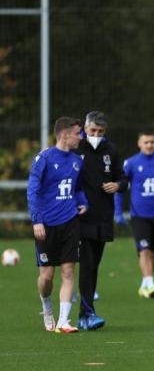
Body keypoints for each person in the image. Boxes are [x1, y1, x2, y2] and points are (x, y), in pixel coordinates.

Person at [28, 117, 87, 333]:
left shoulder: (77, 161)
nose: (81, 137)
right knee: (46, 277)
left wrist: (83, 203)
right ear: (64, 134)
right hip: (46, 225)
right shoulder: (43, 158)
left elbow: (78, 188)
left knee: (69, 271)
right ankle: (47, 306)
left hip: (70, 222)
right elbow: (32, 191)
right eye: (77, 133)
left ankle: (63, 321)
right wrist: (37, 220)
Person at [77, 111, 127, 330]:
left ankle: (85, 312)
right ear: (85, 129)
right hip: (81, 217)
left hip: (103, 216)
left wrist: (117, 186)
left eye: (100, 131)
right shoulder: (75, 147)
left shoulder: (111, 150)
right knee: (87, 265)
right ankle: (86, 314)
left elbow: (123, 177)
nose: (96, 134)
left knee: (94, 265)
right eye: (92, 130)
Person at [115, 131, 154, 298]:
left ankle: (145, 284)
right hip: (139, 214)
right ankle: (150, 283)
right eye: (146, 142)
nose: (149, 145)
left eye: (152, 142)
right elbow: (120, 189)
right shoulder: (130, 163)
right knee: (144, 249)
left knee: (153, 251)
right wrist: (117, 211)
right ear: (139, 144)